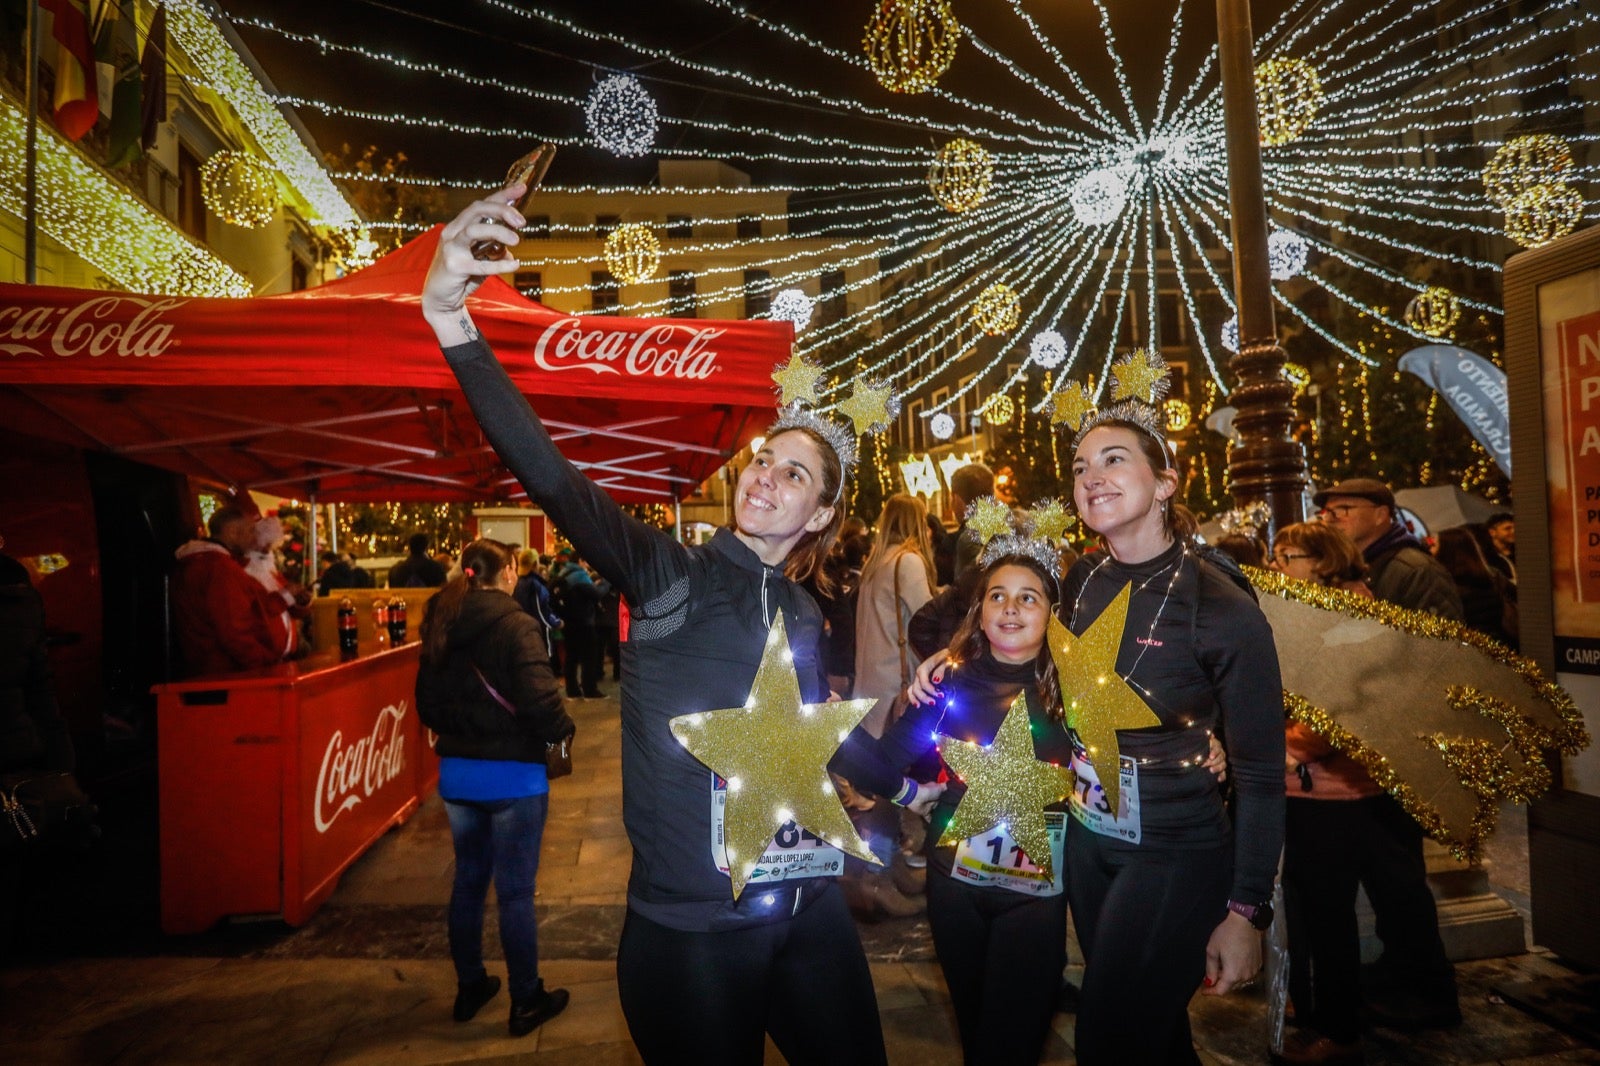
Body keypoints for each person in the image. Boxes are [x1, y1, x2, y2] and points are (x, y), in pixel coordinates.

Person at [421, 185, 889, 1064]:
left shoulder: (798, 607)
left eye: (796, 475)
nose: (766, 478)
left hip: (806, 906)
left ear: (822, 515)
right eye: (764, 460)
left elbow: (811, 739)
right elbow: (553, 480)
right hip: (694, 936)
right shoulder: (668, 575)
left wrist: (916, 770)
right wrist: (453, 320)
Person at [836, 544, 1071, 1062]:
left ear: (1054, 613)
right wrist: (830, 732)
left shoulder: (1075, 690)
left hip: (1033, 899)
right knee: (976, 1037)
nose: (1010, 608)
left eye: (1028, 598)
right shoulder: (947, 686)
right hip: (954, 890)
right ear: (980, 611)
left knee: (1013, 1044)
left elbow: (1150, 731)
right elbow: (882, 759)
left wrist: (1207, 749)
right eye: (998, 596)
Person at [1313, 477, 1463, 1030]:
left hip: (1399, 748)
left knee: (1399, 877)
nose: (1333, 518)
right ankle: (1405, 972)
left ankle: (1429, 991)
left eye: (1344, 509)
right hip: (1369, 753)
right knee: (1388, 876)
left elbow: (1437, 653)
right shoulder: (1364, 569)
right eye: (1326, 511)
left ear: (1382, 512)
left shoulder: (1411, 570)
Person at [416, 539, 574, 1036]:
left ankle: (470, 985)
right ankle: (526, 998)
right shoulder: (515, 624)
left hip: (459, 775)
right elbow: (540, 698)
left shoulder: (440, 620)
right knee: (514, 893)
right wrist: (561, 731)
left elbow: (426, 704)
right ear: (506, 571)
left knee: (468, 883)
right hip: (513, 776)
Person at [1268, 521, 1383, 1065]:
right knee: (1308, 906)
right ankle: (1313, 1008)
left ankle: (1339, 1030)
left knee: (1329, 913)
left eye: (1286, 556)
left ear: (1322, 561)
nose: (1277, 566)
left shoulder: (1351, 620)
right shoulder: (1319, 611)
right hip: (1308, 789)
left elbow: (1341, 707)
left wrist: (1292, 750)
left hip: (1332, 792)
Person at [172, 506, 300, 677]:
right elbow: (236, 631)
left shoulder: (198, 563)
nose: (254, 538)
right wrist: (264, 666)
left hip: (209, 671)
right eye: (250, 531)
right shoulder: (220, 568)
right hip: (228, 674)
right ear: (232, 532)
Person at [854, 494, 939, 738]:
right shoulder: (907, 561)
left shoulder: (875, 562)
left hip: (869, 680)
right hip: (895, 682)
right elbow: (927, 618)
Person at [1433, 526, 1517, 649]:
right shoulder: (1492, 575)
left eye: (1435, 545)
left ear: (1447, 550)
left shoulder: (1446, 584)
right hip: (1502, 643)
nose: (1431, 550)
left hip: (1470, 649)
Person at [551, 556, 602, 699]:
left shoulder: (563, 573)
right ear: (580, 561)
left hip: (568, 621)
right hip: (584, 621)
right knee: (589, 657)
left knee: (571, 657)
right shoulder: (580, 575)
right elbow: (595, 594)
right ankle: (590, 689)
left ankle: (572, 690)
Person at [1484, 511, 1516, 583]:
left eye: (1515, 527)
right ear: (1492, 532)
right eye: (1507, 528)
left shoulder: (1520, 552)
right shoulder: (1487, 557)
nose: (1513, 531)